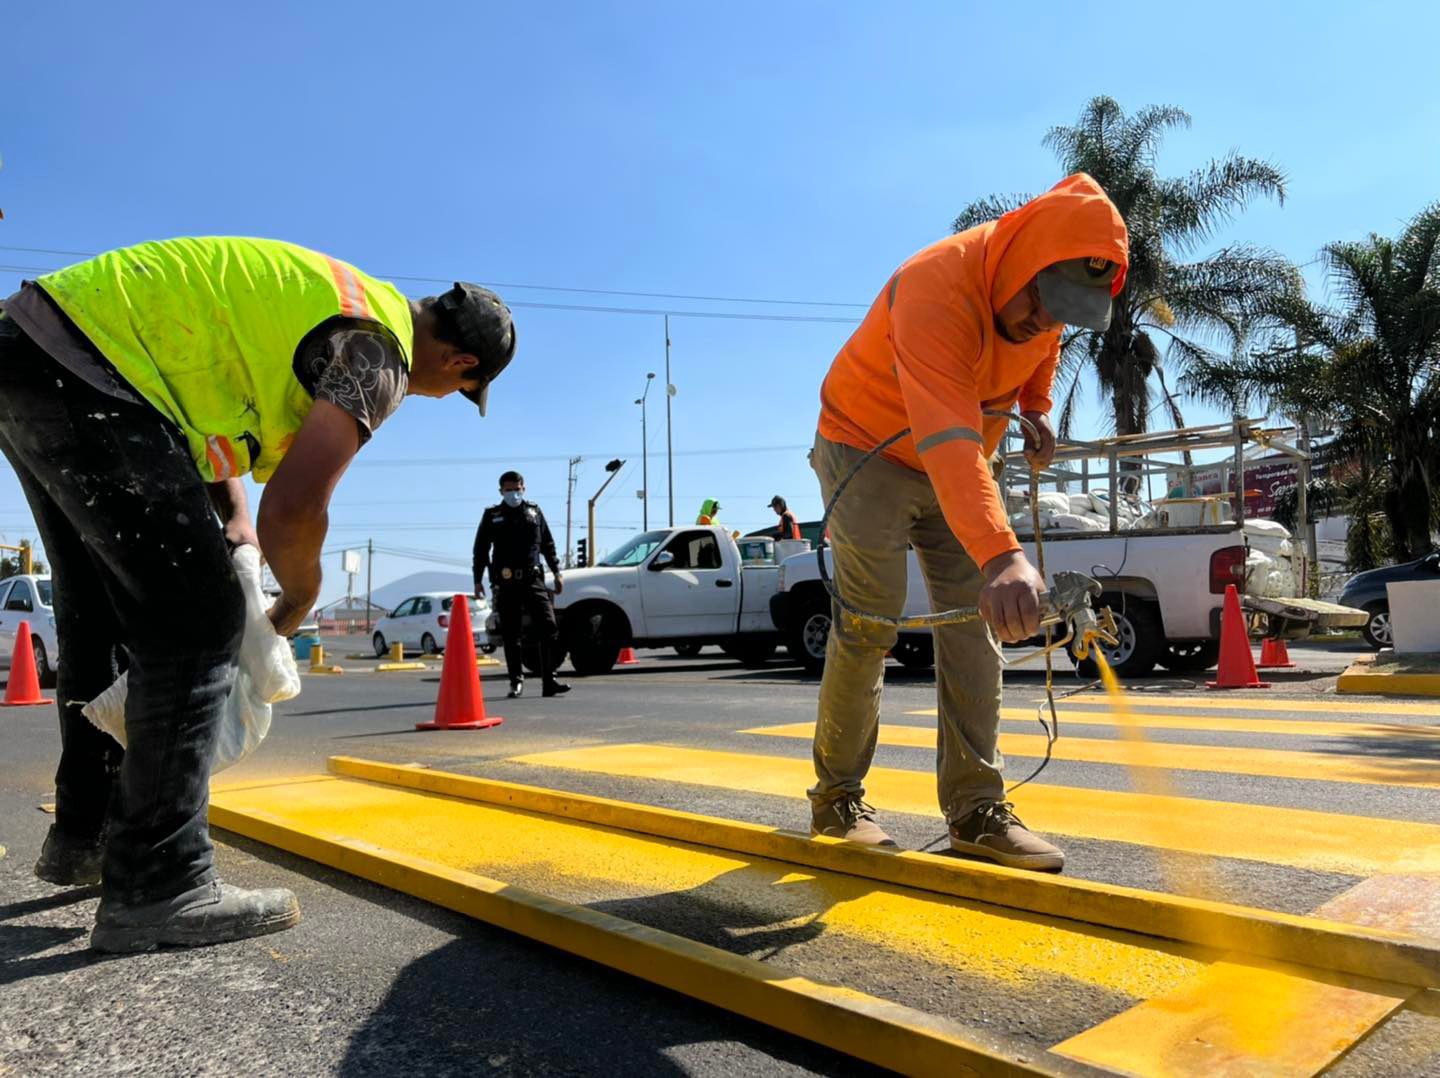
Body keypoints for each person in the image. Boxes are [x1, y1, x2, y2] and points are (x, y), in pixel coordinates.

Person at [0, 237, 516, 950]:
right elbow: (296, 510)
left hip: (37, 351)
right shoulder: (380, 355)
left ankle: (86, 835)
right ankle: (160, 882)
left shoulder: (346, 304)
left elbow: (191, 402)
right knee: (198, 625)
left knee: (103, 615)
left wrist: (234, 517)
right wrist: (300, 594)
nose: (446, 395)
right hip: (89, 372)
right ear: (462, 365)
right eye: (461, 390)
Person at [808, 174, 1128, 872]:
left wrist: (1038, 409)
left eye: (1062, 316)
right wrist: (1001, 554)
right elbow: (949, 436)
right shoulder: (934, 288)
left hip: (955, 458)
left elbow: (1038, 352)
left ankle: (977, 812)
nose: (1044, 324)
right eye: (1041, 306)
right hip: (866, 446)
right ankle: (836, 803)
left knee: (978, 630)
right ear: (1019, 263)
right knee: (869, 624)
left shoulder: (1041, 308)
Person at [473, 471, 570, 699]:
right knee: (511, 633)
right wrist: (477, 579)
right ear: (501, 491)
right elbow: (481, 550)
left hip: (533, 579)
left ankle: (549, 680)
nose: (513, 494)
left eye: (517, 489)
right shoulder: (492, 515)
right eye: (508, 490)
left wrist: (557, 572)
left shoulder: (534, 512)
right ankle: (515, 681)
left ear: (523, 488)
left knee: (548, 627)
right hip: (506, 583)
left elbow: (547, 544)